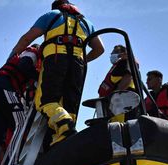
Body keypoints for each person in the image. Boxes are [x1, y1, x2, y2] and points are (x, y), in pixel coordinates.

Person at [8, 0, 104, 146]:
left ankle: (64, 125)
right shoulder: (86, 22)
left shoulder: (52, 15)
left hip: (56, 58)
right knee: (70, 103)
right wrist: (83, 61)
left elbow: (28, 38)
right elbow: (99, 49)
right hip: (77, 64)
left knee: (45, 100)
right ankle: (64, 137)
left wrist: (12, 57)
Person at [0, 44, 41, 165]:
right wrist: (39, 78)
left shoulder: (15, 59)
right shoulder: (32, 52)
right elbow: (24, 65)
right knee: (21, 124)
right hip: (4, 87)